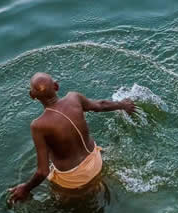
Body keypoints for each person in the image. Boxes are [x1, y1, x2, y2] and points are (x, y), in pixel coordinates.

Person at [7, 72, 136, 204]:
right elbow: (100, 105)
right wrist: (122, 105)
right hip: (96, 161)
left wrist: (25, 188)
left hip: (72, 180)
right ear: (56, 86)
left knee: (62, 205)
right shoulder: (74, 98)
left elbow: (42, 171)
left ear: (32, 96)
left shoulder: (38, 125)